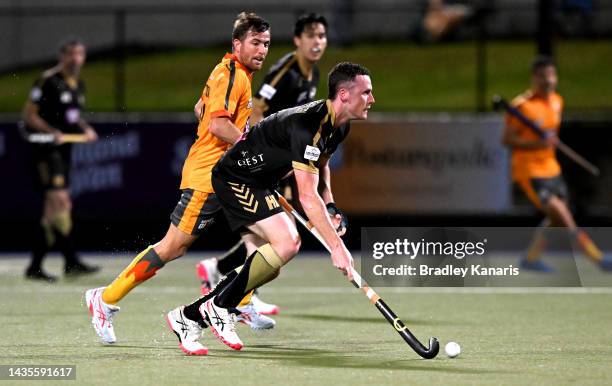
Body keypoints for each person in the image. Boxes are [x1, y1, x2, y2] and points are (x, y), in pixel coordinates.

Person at [85, 12, 273, 348]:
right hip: (207, 177)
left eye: (266, 44)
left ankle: (238, 303)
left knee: (264, 235)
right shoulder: (234, 75)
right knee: (173, 247)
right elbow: (215, 123)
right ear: (237, 43)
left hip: (226, 175)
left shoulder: (230, 72)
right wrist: (250, 149)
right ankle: (106, 298)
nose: (261, 50)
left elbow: (199, 107)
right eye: (255, 43)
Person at [166, 62, 374, 354]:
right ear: (343, 94)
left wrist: (330, 205)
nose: (372, 99)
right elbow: (306, 196)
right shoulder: (308, 126)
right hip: (235, 177)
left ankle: (188, 317)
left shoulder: (338, 126)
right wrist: (338, 247)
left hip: (262, 182)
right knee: (288, 243)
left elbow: (321, 168)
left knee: (270, 264)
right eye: (366, 92)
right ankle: (219, 306)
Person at [196, 13, 329, 316]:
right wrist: (251, 156)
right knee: (279, 238)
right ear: (298, 40)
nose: (317, 42)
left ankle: (220, 274)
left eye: (321, 36)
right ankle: (237, 300)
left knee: (267, 237)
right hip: (263, 159)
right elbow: (256, 109)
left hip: (281, 159)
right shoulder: (285, 71)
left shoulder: (313, 74)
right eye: (311, 36)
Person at [502, 56, 611, 272]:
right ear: (534, 78)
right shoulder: (522, 106)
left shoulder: (556, 101)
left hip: (552, 169)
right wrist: (538, 143)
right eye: (543, 76)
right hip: (530, 172)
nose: (548, 80)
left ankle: (530, 259)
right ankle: (597, 258)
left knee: (555, 219)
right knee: (563, 216)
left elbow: (551, 138)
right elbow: (507, 140)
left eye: (551, 75)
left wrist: (549, 142)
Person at [22, 37, 99, 282]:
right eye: (72, 55)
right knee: (61, 203)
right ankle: (71, 260)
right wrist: (51, 133)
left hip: (64, 150)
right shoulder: (47, 80)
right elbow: (29, 116)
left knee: (51, 212)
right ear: (63, 57)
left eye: (81, 55)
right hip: (46, 150)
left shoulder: (77, 84)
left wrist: (86, 129)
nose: (77, 59)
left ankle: (36, 266)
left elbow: (73, 117)